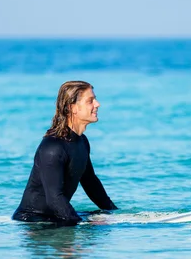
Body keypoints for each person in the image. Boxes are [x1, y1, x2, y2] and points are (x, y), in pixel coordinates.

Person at [12, 81, 117, 225]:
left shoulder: (82, 141)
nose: (97, 104)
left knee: (106, 225)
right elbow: (55, 198)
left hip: (57, 215)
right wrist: (81, 223)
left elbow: (90, 182)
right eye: (90, 101)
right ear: (72, 107)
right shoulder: (53, 148)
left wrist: (113, 213)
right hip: (34, 222)